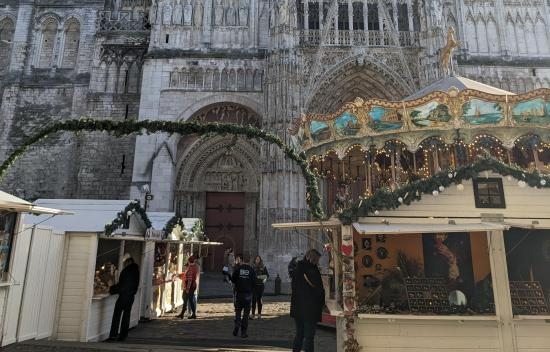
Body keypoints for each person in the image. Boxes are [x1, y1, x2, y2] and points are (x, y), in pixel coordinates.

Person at [290, 249, 325, 352]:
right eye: (317, 259)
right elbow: (319, 291)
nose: (318, 262)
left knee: (299, 334)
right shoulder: (313, 271)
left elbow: (293, 287)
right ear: (314, 259)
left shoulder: (298, 268)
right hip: (310, 309)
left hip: (298, 308)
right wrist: (322, 303)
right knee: (309, 337)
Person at [107, 255, 140, 342]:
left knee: (117, 315)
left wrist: (111, 289)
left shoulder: (126, 271)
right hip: (131, 296)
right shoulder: (136, 271)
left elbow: (123, 286)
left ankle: (113, 335)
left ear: (128, 263)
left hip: (123, 296)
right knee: (126, 316)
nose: (124, 264)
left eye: (125, 263)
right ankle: (123, 335)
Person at [231, 255, 256, 338]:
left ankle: (237, 324)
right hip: (248, 294)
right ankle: (243, 332)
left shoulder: (238, 269)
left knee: (238, 311)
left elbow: (233, 279)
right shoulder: (251, 270)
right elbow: (254, 282)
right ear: (249, 260)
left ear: (243, 260)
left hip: (239, 294)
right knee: (246, 314)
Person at [250, 255, 269, 319]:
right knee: (253, 300)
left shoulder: (263, 267)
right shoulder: (252, 267)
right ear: (255, 260)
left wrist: (262, 278)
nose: (257, 260)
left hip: (260, 285)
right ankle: (252, 314)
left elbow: (267, 275)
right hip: (253, 285)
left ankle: (259, 314)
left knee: (259, 299)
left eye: (259, 259)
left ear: (260, 260)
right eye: (256, 259)